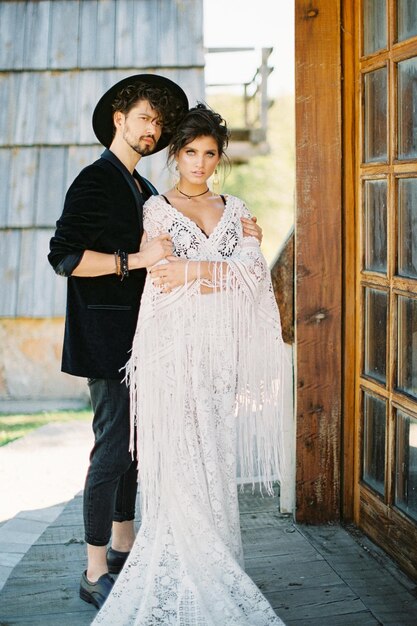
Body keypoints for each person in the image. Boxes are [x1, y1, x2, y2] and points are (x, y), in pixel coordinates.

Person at [48, 79, 262, 609]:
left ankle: (124, 546)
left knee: (137, 452)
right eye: (145, 117)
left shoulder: (141, 188)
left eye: (159, 124)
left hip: (149, 346)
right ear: (119, 117)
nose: (152, 129)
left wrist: (244, 236)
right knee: (113, 451)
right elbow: (65, 258)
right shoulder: (96, 180)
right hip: (107, 341)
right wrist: (135, 262)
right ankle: (94, 569)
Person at [92, 104, 287, 625]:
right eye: (190, 152)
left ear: (219, 157)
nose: (199, 163)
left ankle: (221, 555)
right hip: (172, 351)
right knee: (179, 457)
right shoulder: (157, 210)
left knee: (215, 452)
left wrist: (203, 270)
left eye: (209, 153)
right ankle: (183, 559)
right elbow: (164, 280)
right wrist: (225, 269)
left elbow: (253, 277)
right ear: (175, 155)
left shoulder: (237, 208)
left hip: (220, 351)